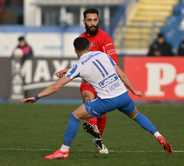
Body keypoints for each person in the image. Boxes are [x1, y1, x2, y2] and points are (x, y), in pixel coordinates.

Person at [23, 37, 173, 160]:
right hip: (123, 96)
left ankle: (64, 150)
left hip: (107, 101)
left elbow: (56, 86)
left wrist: (37, 97)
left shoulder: (79, 65)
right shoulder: (103, 55)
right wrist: (134, 90)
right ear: (89, 46)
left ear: (76, 50)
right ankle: (158, 136)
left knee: (74, 116)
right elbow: (122, 75)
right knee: (137, 115)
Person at [56, 8, 118, 154]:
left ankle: (98, 140)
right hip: (88, 81)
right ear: (84, 21)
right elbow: (82, 63)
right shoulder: (81, 40)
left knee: (102, 114)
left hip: (103, 83)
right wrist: (69, 69)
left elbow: (113, 61)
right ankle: (93, 130)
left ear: (98, 21)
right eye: (89, 20)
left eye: (95, 20)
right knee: (88, 98)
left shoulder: (105, 38)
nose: (92, 23)